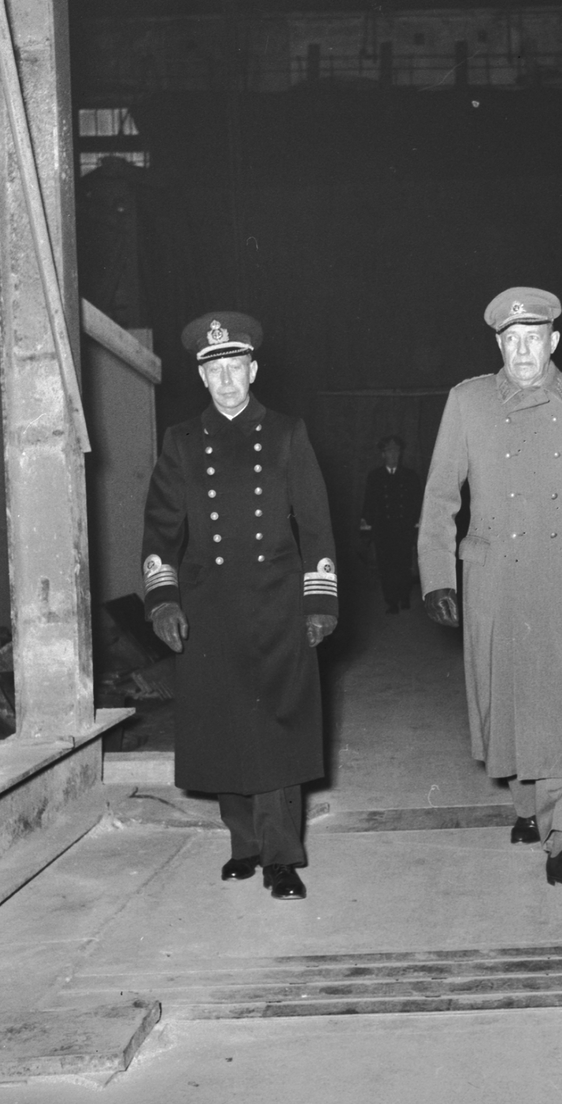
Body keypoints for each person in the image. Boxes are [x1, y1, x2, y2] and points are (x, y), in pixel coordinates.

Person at [418, 287, 562, 892]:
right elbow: (440, 497)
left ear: (554, 341)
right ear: (498, 344)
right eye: (511, 340)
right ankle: (527, 805)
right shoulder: (467, 402)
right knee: (510, 699)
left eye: (533, 339)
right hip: (497, 578)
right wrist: (437, 575)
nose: (522, 351)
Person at [141, 312, 338, 901]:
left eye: (236, 366)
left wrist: (320, 599)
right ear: (202, 377)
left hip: (277, 602)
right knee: (225, 724)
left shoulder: (287, 433)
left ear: (254, 370)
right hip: (209, 606)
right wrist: (162, 599)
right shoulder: (181, 441)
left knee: (276, 726)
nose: (227, 379)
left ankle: (281, 857)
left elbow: (316, 524)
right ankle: (244, 844)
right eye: (215, 369)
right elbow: (160, 529)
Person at [359, 436, 422, 613]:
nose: (393, 454)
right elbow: (369, 503)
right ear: (383, 454)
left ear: (400, 454)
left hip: (404, 528)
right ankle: (392, 601)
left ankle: (404, 596)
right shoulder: (375, 476)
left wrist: (417, 527)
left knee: (404, 564)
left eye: (396, 451)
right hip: (383, 529)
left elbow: (417, 504)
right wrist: (366, 529)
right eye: (389, 451)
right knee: (386, 566)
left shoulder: (410, 476)